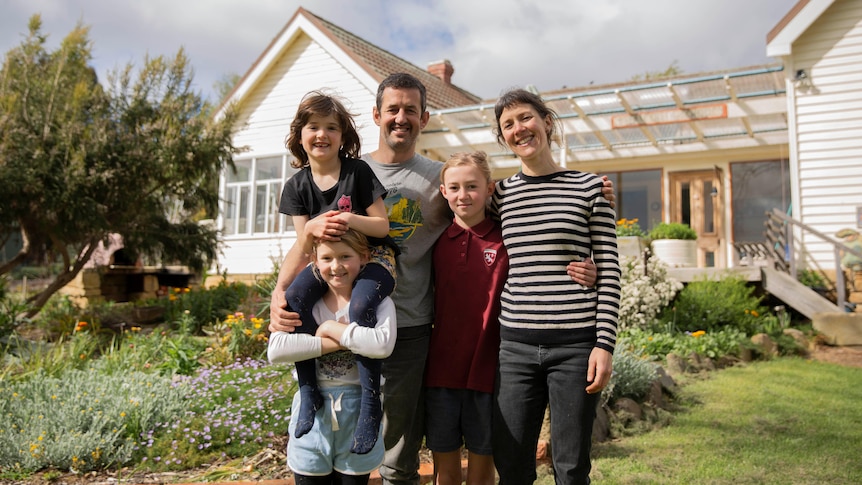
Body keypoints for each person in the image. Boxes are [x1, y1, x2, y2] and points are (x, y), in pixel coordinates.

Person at [270, 73, 612, 485]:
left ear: (425, 117)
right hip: (340, 322)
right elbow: (305, 240)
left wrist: (588, 222)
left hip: (413, 327)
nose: (401, 118)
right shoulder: (350, 170)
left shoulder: (439, 177)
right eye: (392, 109)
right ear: (377, 115)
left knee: (401, 451)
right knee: (336, 433)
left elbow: (499, 202)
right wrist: (280, 293)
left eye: (410, 110)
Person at [490, 88, 621, 485]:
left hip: (575, 347)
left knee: (571, 467)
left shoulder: (589, 189)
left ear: (546, 122)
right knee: (511, 465)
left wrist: (604, 344)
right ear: (503, 138)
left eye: (526, 118)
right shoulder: (499, 195)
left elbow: (611, 269)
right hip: (514, 347)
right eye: (508, 125)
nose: (519, 129)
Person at [279, 91, 396, 454]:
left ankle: (370, 404)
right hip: (324, 262)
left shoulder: (357, 172)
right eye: (313, 127)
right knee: (296, 299)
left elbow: (381, 226)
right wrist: (279, 291)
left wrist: (347, 218)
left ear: (342, 136)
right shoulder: (296, 186)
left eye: (331, 128)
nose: (322, 135)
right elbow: (304, 245)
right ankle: (309, 388)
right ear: (300, 135)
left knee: (362, 308)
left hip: (372, 258)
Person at [268, 229, 397, 485]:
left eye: (345, 256)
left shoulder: (380, 303)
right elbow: (278, 350)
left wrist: (329, 328)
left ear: (363, 257)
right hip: (313, 416)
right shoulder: (307, 305)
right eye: (327, 258)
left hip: (357, 410)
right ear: (315, 262)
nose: (336, 266)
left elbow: (382, 345)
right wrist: (336, 342)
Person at [425, 151, 506, 485]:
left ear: (489, 188)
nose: (463, 195)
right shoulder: (435, 242)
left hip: (488, 374)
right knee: (445, 472)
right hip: (440, 373)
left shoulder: (505, 239)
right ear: (443, 192)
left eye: (472, 186)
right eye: (455, 187)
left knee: (481, 473)